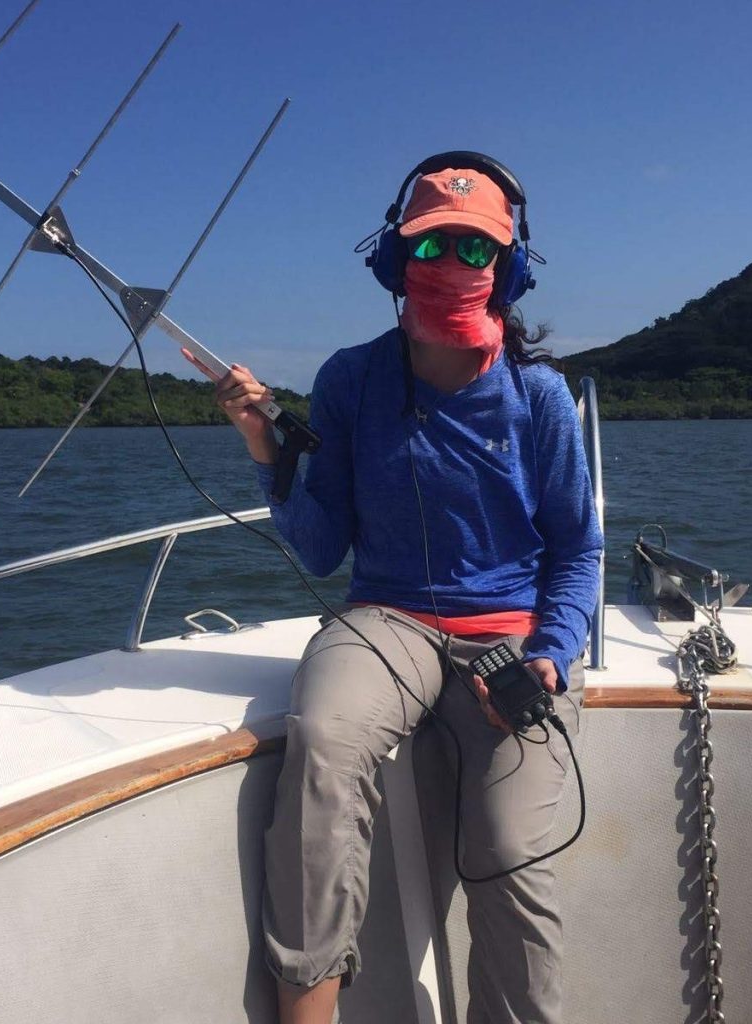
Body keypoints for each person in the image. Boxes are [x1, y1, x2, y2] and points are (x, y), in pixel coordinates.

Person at [186, 153, 603, 1024]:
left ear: (508, 265)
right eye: (430, 244)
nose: (451, 262)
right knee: (325, 743)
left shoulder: (539, 397)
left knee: (510, 847)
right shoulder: (352, 380)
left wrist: (553, 656)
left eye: (474, 247)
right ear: (395, 258)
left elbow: (576, 549)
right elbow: (321, 548)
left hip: (514, 631)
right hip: (386, 617)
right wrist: (265, 450)